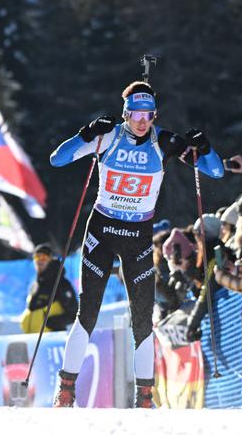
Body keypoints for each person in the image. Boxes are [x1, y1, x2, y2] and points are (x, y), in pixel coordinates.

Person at [49, 80, 223, 408]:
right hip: (102, 231)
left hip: (138, 237)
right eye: (135, 114)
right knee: (87, 312)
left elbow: (214, 171)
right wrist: (86, 134)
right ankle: (66, 389)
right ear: (125, 113)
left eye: (148, 115)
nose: (142, 122)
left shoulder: (165, 142)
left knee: (143, 318)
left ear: (154, 115)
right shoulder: (109, 136)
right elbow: (57, 159)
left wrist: (207, 147)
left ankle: (144, 397)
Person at [20, 243, 78, 333]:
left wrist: (50, 323)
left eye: (43, 258)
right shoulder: (36, 284)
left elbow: (73, 314)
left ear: (50, 259)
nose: (40, 261)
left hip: (51, 340)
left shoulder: (61, 283)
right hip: (32, 340)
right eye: (37, 257)